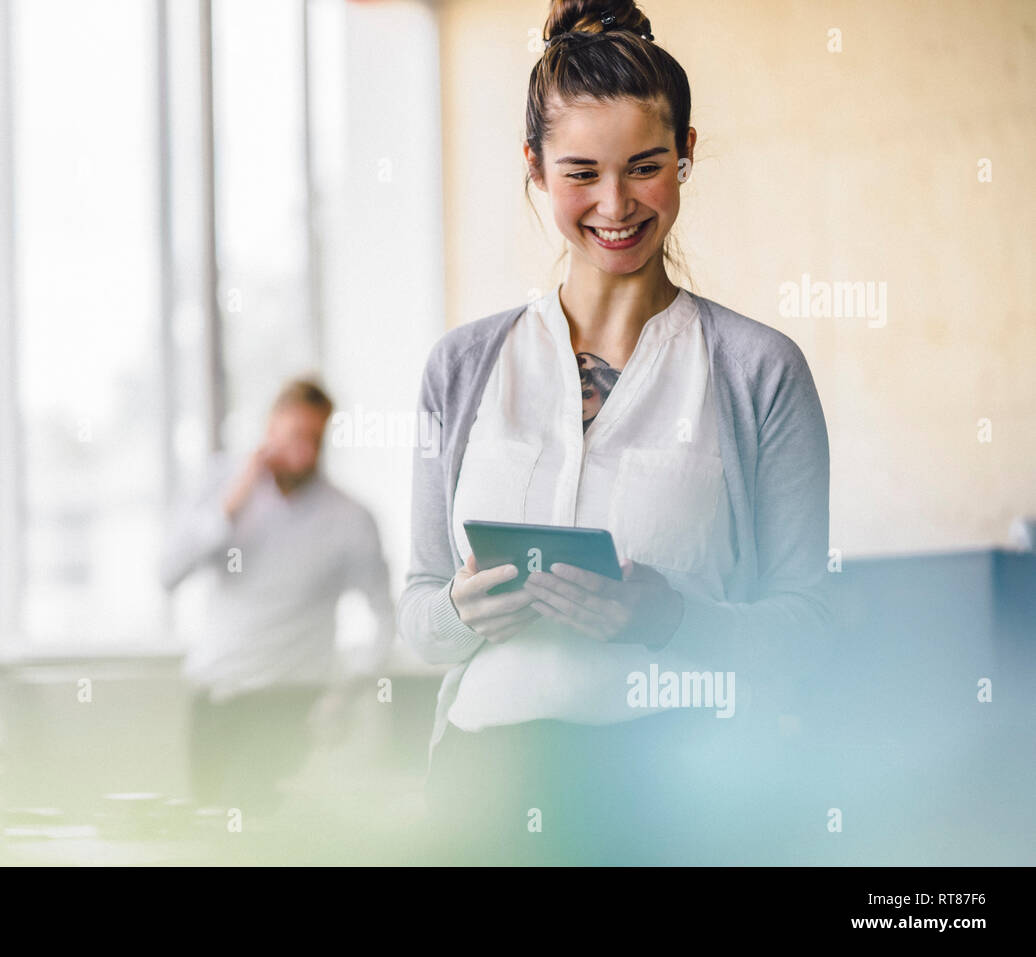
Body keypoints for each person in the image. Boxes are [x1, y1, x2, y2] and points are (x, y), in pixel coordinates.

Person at [398, 0, 834, 865]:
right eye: (580, 173)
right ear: (533, 166)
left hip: (680, 791)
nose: (615, 205)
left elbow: (809, 627)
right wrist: (460, 609)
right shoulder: (461, 366)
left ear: (687, 155)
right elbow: (416, 611)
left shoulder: (759, 370)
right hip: (484, 787)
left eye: (645, 167)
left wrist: (662, 615)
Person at [161, 378, 396, 817]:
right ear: (269, 428)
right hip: (213, 700)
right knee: (208, 837)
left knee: (258, 836)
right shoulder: (222, 488)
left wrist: (346, 691)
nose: (302, 452)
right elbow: (168, 574)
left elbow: (385, 616)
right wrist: (234, 503)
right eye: (292, 436)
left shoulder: (350, 518)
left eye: (314, 439)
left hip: (288, 706)